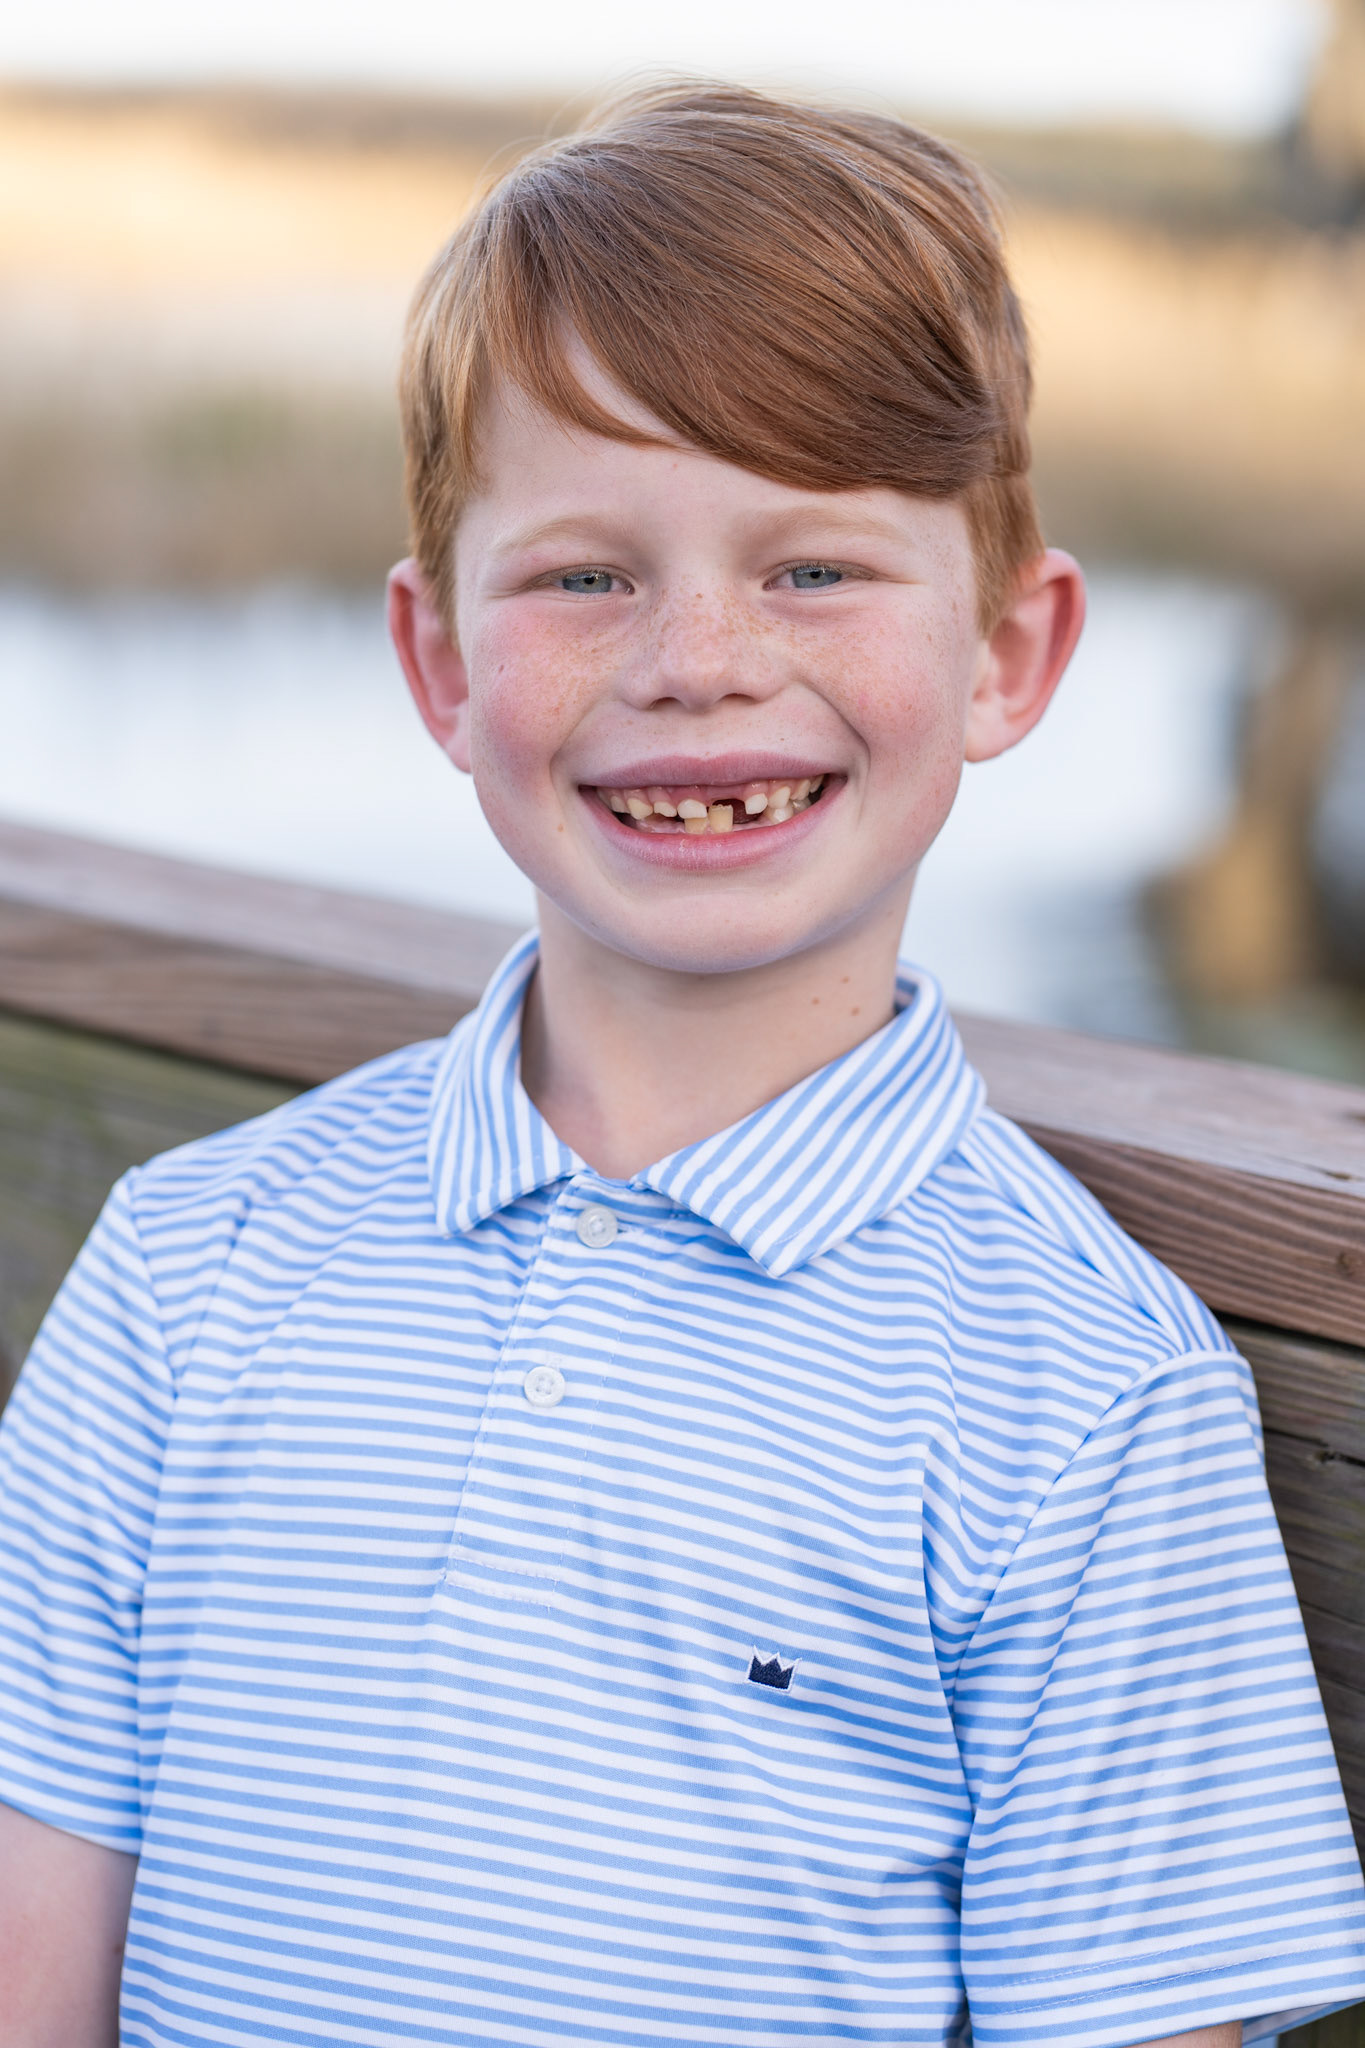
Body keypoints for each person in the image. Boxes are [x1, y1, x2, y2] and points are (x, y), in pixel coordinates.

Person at [1, 79, 1361, 2048]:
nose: (697, 657)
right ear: (440, 661)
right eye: (583, 574)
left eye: (812, 568)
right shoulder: (192, 1271)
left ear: (1004, 652)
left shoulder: (1076, 1399)